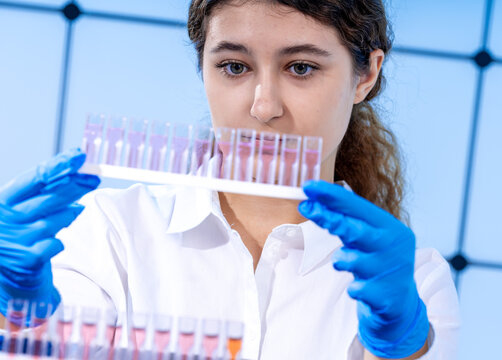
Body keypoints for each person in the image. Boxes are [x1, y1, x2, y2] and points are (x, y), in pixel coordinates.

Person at [0, 0, 460, 359]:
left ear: (367, 75)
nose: (263, 106)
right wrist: (18, 318)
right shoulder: (110, 234)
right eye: (234, 67)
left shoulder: (417, 282)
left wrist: (401, 348)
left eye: (301, 67)